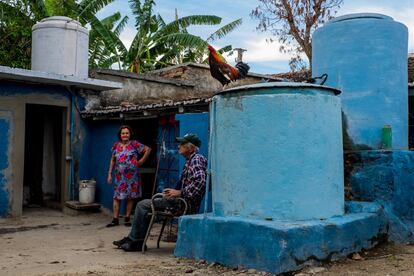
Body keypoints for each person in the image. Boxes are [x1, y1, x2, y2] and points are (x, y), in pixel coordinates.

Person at [112, 133, 207, 251]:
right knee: (147, 205)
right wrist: (175, 191)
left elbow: (201, 182)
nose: (178, 146)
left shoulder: (196, 159)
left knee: (143, 205)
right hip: (180, 200)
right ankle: (135, 239)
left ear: (190, 148)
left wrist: (180, 193)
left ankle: (136, 241)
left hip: (183, 203)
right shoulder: (190, 160)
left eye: (182, 144)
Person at [106, 125, 151, 227]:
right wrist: (109, 173)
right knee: (116, 197)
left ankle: (127, 218)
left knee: (130, 197)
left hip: (132, 177)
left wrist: (141, 161)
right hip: (119, 177)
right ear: (120, 135)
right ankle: (115, 219)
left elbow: (148, 149)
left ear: (130, 134)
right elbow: (113, 160)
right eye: (123, 133)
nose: (125, 135)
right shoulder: (116, 145)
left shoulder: (135, 144)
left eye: (127, 133)